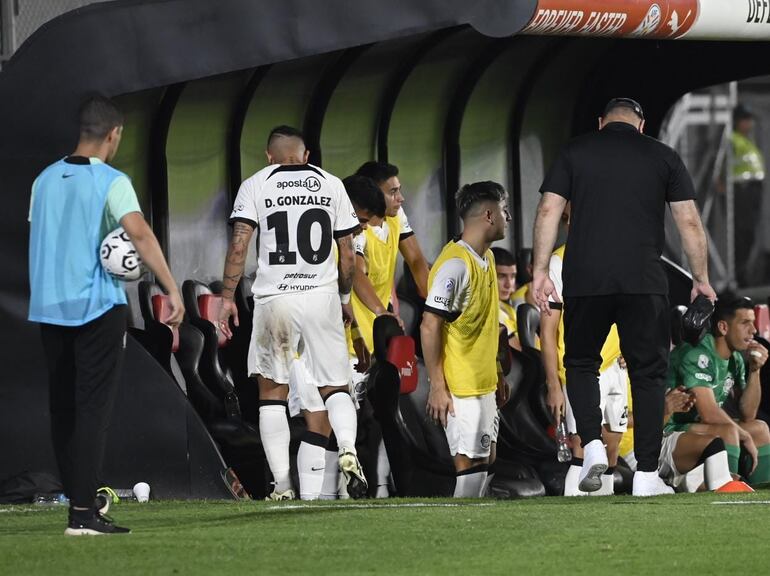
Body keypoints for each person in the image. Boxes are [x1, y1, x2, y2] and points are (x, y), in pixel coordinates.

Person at [532, 97, 716, 497]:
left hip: (585, 280)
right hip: (644, 281)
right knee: (648, 373)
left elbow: (548, 210)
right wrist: (700, 279)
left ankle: (592, 445)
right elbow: (688, 220)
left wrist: (540, 272)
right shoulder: (663, 156)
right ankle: (647, 475)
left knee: (580, 363)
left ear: (601, 123)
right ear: (642, 126)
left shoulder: (574, 151)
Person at [28, 95, 184, 535]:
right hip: (96, 307)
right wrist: (172, 289)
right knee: (93, 409)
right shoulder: (111, 180)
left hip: (49, 307)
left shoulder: (42, 180)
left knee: (63, 410)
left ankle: (78, 510)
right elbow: (138, 232)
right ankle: (82, 515)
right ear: (114, 134)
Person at [218, 126, 367, 500]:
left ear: (269, 156)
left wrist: (227, 295)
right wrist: (345, 297)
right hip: (321, 296)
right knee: (335, 386)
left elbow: (240, 244)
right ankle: (348, 449)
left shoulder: (255, 185)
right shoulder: (332, 184)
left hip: (276, 299)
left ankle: (282, 485)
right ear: (306, 157)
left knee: (272, 393)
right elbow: (347, 253)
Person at [422, 181, 511, 497]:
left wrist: (497, 371)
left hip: (482, 384)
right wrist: (437, 386)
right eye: (504, 210)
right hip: (461, 388)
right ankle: (452, 541)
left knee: (486, 465)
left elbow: (484, 327)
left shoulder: (484, 258)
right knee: (471, 472)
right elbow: (429, 325)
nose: (508, 217)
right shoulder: (456, 265)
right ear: (489, 215)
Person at [541, 206, 628, 497]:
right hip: (578, 368)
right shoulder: (558, 261)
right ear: (569, 221)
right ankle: (573, 514)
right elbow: (548, 330)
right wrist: (553, 384)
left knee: (612, 443)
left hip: (615, 366)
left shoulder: (614, 256)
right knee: (582, 443)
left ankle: (603, 515)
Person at [666, 296, 770, 487]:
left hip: (702, 429)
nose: (753, 331)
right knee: (730, 431)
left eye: (753, 323)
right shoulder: (697, 353)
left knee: (760, 429)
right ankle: (726, 489)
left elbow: (748, 414)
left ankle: (760, 492)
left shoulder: (736, 359)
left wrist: (755, 370)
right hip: (670, 432)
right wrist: (743, 435)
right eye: (745, 323)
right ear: (723, 327)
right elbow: (709, 413)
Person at [658, 386, 752, 493]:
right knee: (715, 443)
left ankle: (681, 483)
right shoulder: (640, 379)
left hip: (658, 438)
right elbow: (640, 426)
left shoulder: (647, 378)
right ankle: (719, 499)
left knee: (736, 481)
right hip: (640, 449)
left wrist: (670, 407)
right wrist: (664, 410)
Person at [731, 104, 765, 286]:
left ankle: (742, 274)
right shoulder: (733, 139)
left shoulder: (747, 141)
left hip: (753, 190)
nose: (748, 124)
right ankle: (738, 276)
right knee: (743, 234)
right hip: (741, 190)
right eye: (745, 120)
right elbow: (723, 164)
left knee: (750, 234)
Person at [490, 247, 521, 351]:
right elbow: (519, 350)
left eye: (512, 276)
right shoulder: (491, 311)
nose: (508, 284)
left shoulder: (507, 308)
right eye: (501, 276)